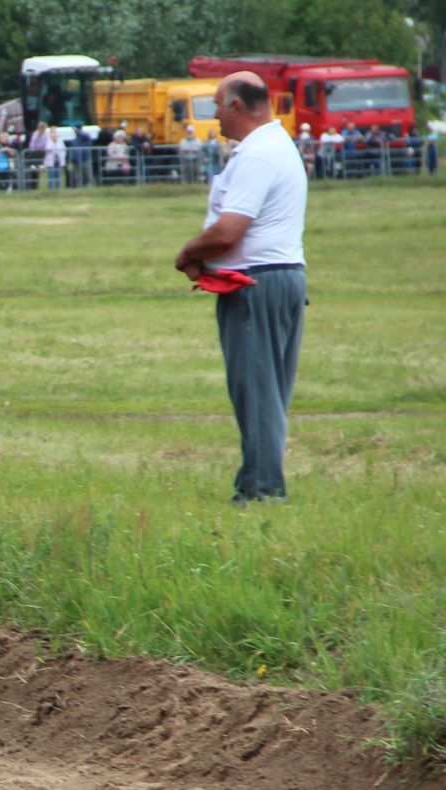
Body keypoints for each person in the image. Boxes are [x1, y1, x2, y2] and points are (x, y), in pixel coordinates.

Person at [172, 71, 307, 506]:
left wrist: (188, 253)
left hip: (256, 284)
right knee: (266, 390)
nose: (213, 115)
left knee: (256, 391)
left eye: (216, 105)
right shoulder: (277, 145)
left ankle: (263, 492)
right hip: (281, 276)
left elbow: (229, 230)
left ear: (236, 106)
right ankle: (257, 480)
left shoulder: (256, 155)